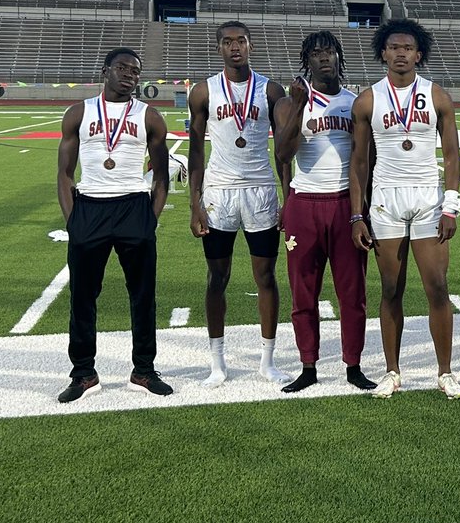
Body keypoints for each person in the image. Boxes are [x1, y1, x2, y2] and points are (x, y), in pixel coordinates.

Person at [350, 19, 460, 400]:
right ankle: (392, 371)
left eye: (408, 47)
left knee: (437, 286)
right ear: (382, 52)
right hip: (386, 199)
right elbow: (359, 163)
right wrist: (357, 214)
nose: (401, 53)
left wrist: (450, 207)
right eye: (393, 47)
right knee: (390, 289)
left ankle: (445, 372)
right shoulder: (367, 99)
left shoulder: (437, 96)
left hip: (427, 198)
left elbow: (451, 157)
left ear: (419, 54)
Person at [55, 48, 172, 402]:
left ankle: (144, 370)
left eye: (136, 71)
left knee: (142, 294)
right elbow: (63, 173)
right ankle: (83, 373)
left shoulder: (150, 117)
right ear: (106, 70)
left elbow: (162, 177)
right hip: (89, 206)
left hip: (133, 206)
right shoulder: (79, 112)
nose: (130, 75)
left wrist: (149, 220)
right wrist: (72, 219)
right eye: (123, 68)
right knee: (83, 296)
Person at [188, 21, 290, 387]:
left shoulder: (270, 89)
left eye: (241, 41)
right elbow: (196, 149)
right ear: (219, 48)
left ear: (251, 46)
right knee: (217, 278)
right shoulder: (204, 91)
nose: (235, 47)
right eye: (228, 42)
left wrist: (288, 195)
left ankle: (267, 361)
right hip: (219, 193)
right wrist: (194, 202)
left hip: (261, 190)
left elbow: (282, 150)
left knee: (266, 277)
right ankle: (217, 363)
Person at [272, 31, 374, 393]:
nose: (324, 58)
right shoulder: (290, 103)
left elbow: (367, 161)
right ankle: (308, 365)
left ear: (339, 56)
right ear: (307, 61)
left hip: (346, 202)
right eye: (316, 54)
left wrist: (364, 212)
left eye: (329, 52)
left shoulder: (355, 102)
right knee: (303, 292)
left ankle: (353, 364)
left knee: (352, 292)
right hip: (305, 202)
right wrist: (299, 106)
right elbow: (283, 155)